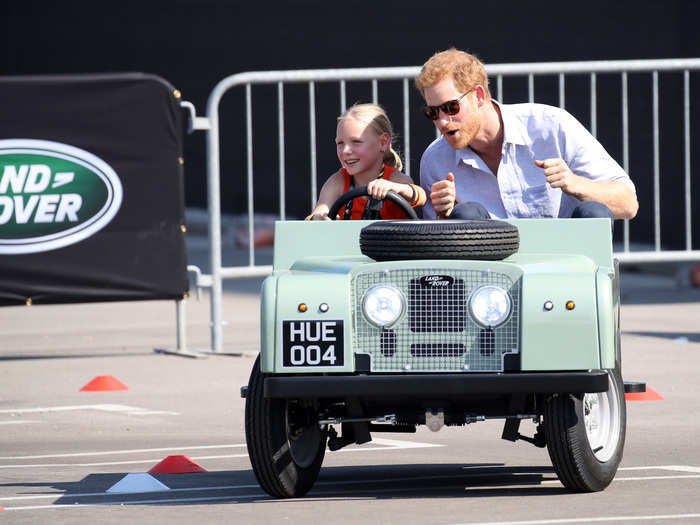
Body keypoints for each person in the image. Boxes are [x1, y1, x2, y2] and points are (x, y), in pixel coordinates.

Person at [416, 48, 639, 224]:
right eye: (432, 112)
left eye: (451, 107)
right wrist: (444, 217)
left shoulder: (551, 125)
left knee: (593, 213)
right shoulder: (435, 160)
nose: (442, 121)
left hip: (566, 265)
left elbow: (628, 204)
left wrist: (575, 183)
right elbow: (437, 252)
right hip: (491, 274)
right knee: (465, 216)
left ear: (479, 97)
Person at [307, 103, 426, 220]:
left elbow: (420, 196)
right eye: (340, 143)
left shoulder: (394, 179)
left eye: (356, 141)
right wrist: (319, 217)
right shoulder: (338, 181)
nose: (346, 150)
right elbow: (320, 210)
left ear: (383, 143)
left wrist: (395, 188)